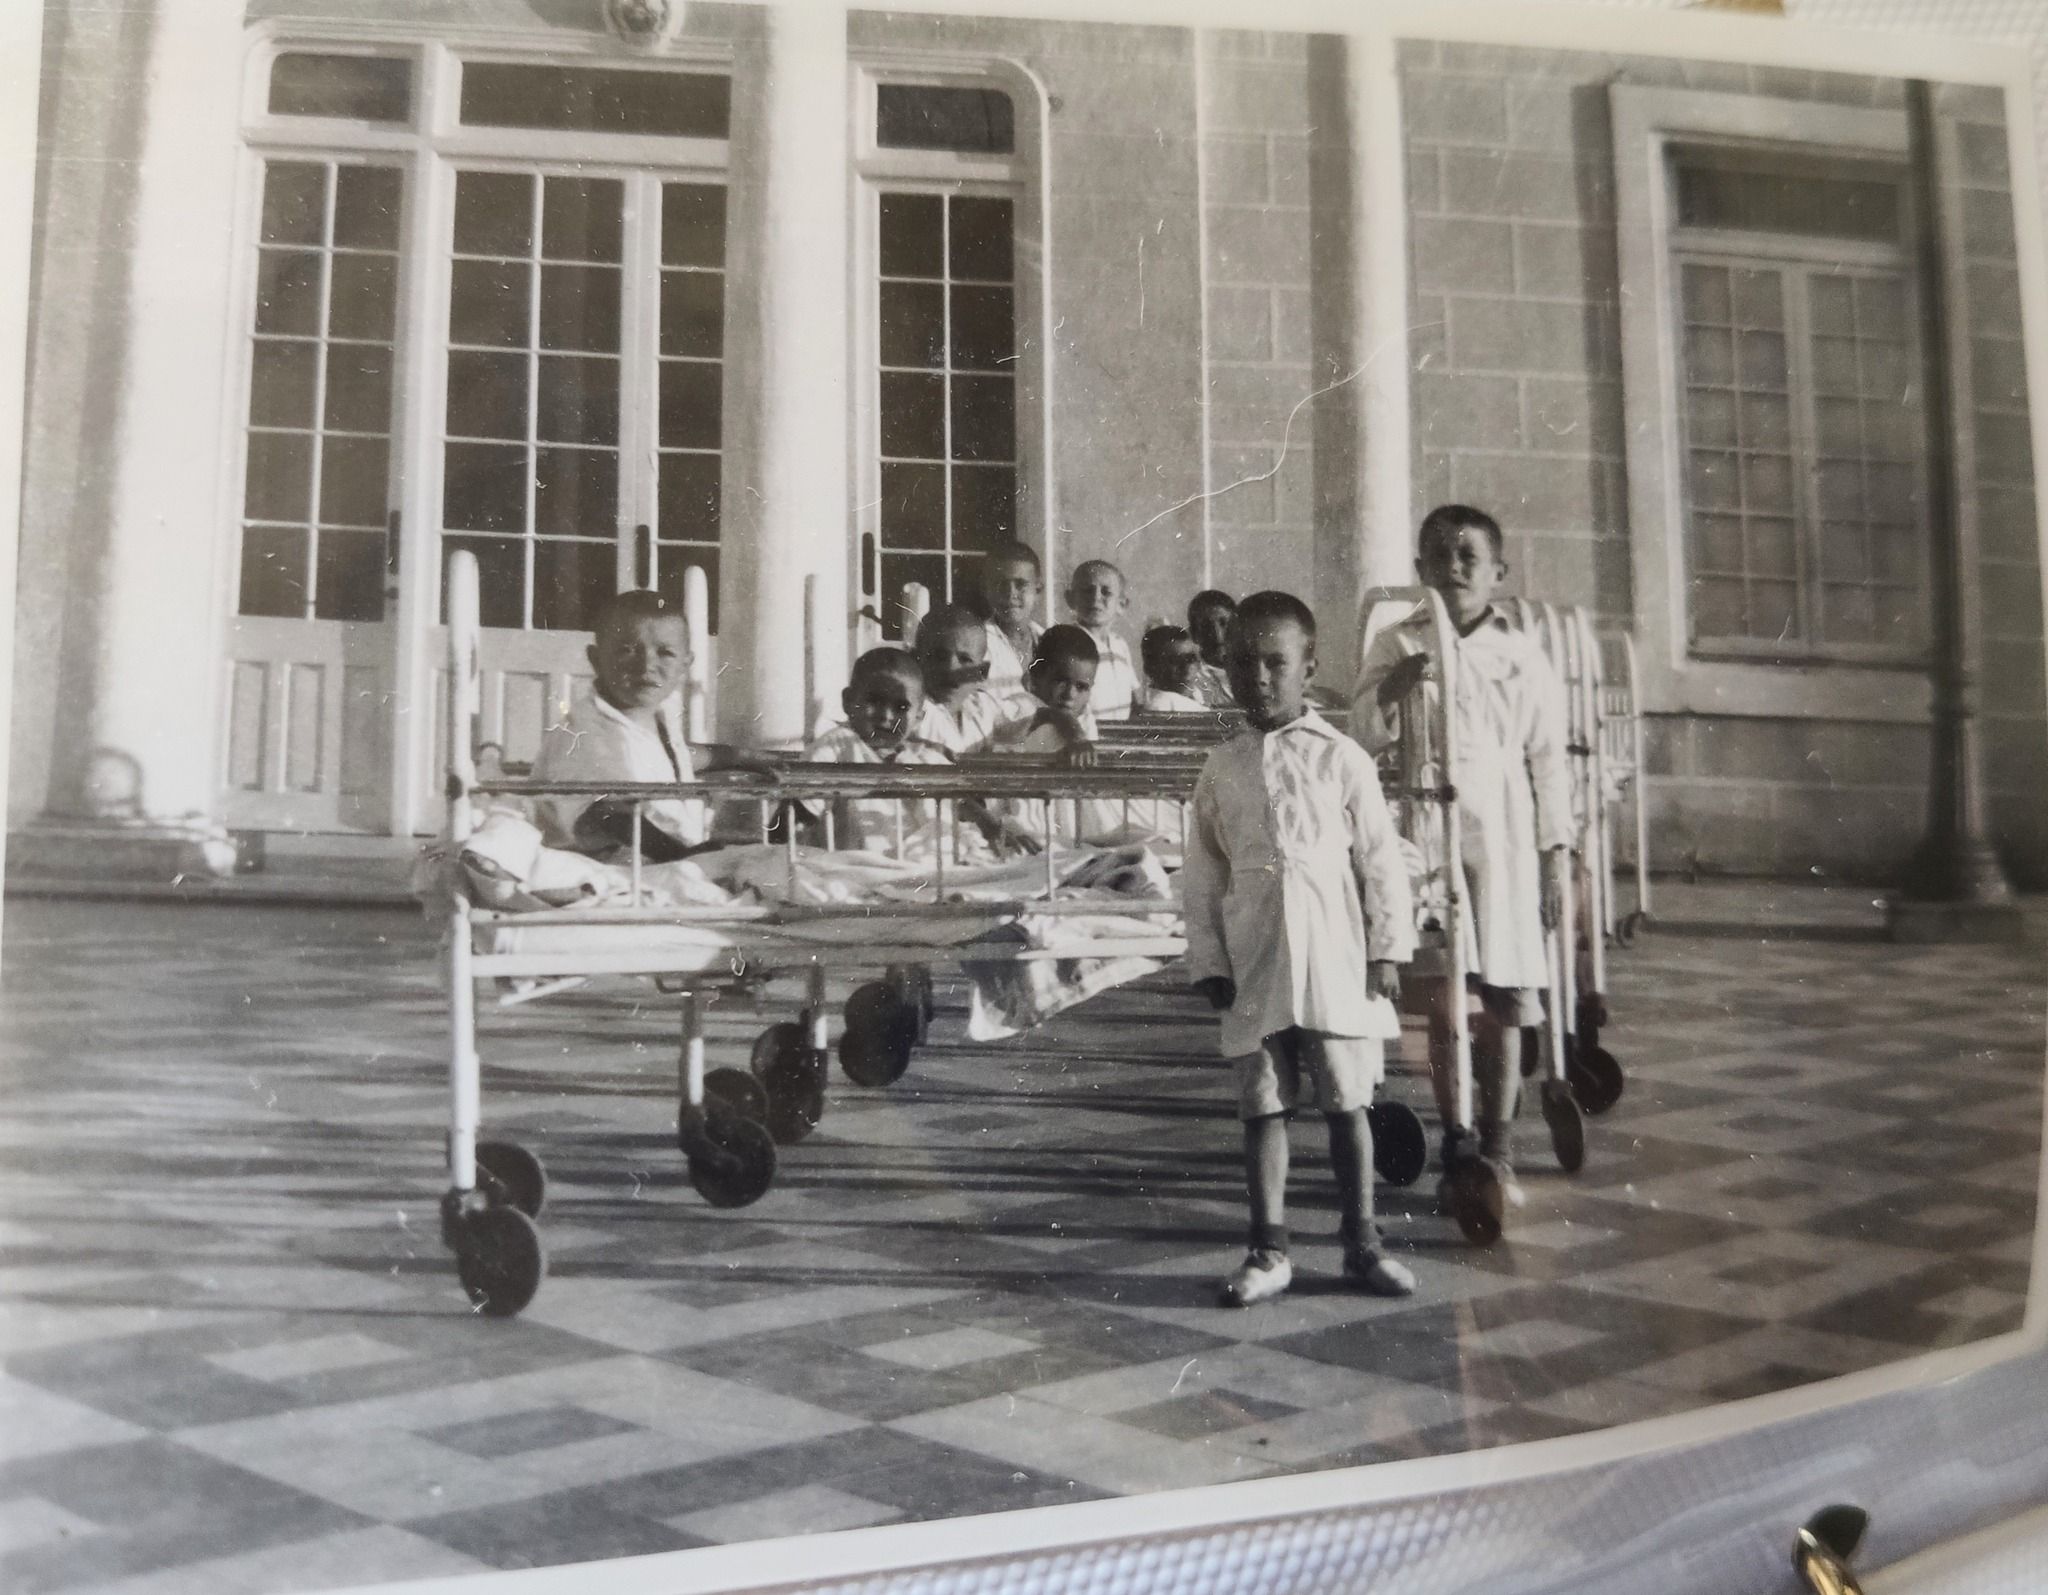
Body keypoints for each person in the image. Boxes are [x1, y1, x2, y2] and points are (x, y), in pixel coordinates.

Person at [1184, 591, 1417, 1307]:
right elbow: (1202, 873)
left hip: (1335, 955)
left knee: (1347, 1102)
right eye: (1242, 661)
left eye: (1275, 662)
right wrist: (1210, 961)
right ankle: (1268, 1248)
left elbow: (1380, 859)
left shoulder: (1343, 758)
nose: (1258, 676)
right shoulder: (1220, 766)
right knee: (1263, 1104)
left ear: (1309, 667)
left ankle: (1362, 1242)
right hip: (1256, 956)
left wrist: (1388, 948)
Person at [1352, 504, 1572, 1218]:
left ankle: (1500, 1147)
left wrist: (1554, 853)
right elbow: (1363, 734)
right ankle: (1457, 1134)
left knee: (1505, 996)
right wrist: (1394, 689)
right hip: (1426, 825)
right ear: (1418, 572)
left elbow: (1547, 759)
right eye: (1438, 557)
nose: (1453, 570)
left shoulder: (1520, 651)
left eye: (1469, 557)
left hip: (1503, 835)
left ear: (1498, 574)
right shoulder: (1396, 640)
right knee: (1446, 995)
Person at [530, 590, 728, 862]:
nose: (646, 665)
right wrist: (684, 856)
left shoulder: (652, 716)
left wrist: (743, 757)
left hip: (657, 860)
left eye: (665, 653)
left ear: (685, 664)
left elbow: (676, 755)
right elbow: (607, 815)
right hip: (607, 871)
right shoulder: (586, 730)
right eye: (627, 650)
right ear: (596, 659)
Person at [805, 647, 952, 854]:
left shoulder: (923, 756)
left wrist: (987, 823)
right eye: (874, 701)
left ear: (918, 718)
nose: (885, 715)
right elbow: (797, 811)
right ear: (848, 702)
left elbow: (960, 801)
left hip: (920, 868)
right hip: (856, 868)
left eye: (901, 707)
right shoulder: (836, 747)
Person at [912, 603, 1004, 754]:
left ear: (982, 671)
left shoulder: (980, 709)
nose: (950, 668)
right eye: (938, 656)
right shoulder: (912, 713)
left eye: (965, 659)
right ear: (916, 660)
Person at [1065, 559, 1140, 721]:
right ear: (1070, 599)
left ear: (1122, 604)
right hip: (1087, 734)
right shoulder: (1068, 642)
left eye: (1106, 592)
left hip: (1120, 736)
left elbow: (1133, 697)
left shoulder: (1120, 645)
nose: (1096, 598)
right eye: (1087, 591)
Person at [980, 543, 1045, 696]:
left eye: (1021, 584)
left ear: (1038, 589)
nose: (1010, 594)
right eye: (1000, 584)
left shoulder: (1050, 641)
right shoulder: (980, 645)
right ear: (986, 589)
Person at [1136, 624, 1209, 713]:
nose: (1186, 668)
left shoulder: (1197, 696)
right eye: (1175, 661)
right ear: (1150, 668)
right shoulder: (1162, 706)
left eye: (1191, 658)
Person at [1186, 589, 1238, 708]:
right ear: (1194, 634)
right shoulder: (1189, 677)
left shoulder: (1254, 672)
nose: (1218, 635)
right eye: (1206, 626)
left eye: (1224, 624)